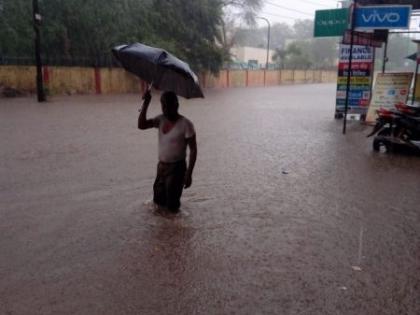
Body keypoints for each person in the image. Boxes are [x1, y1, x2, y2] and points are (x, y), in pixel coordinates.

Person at [138, 89, 197, 213]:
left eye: (168, 105)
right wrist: (146, 103)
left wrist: (189, 173)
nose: (165, 108)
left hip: (177, 169)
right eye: (163, 105)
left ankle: (177, 229)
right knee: (158, 204)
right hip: (161, 168)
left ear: (176, 105)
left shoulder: (186, 124)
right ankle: (165, 231)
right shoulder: (160, 120)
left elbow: (193, 150)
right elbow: (141, 125)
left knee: (172, 206)